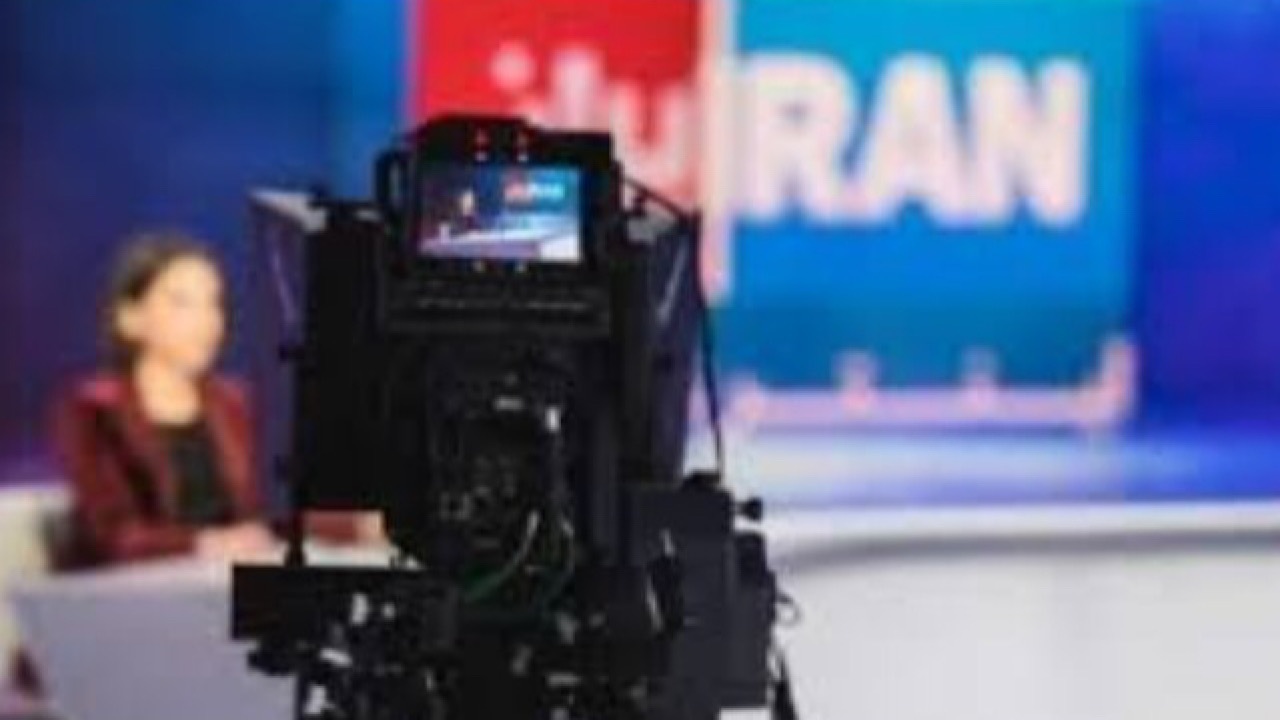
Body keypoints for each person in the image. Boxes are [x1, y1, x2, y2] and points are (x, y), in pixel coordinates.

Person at [51, 232, 276, 565]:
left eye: (213, 303)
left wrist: (352, 525)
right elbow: (110, 534)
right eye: (182, 303)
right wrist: (202, 544)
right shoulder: (94, 409)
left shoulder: (234, 404)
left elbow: (272, 509)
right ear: (130, 318)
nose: (206, 320)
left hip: (225, 576)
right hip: (132, 586)